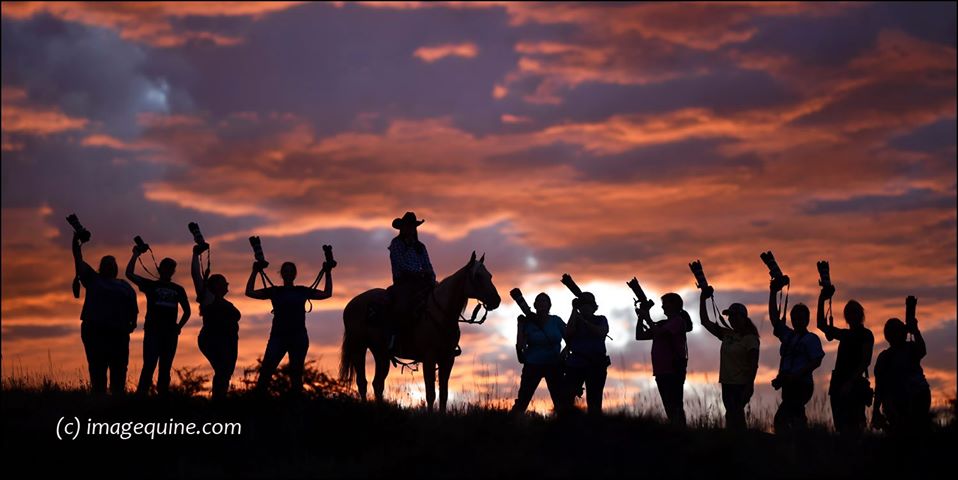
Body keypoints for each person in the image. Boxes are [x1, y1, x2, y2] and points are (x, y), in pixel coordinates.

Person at [246, 253, 334, 393]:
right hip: (278, 336)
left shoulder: (302, 291)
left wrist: (328, 273)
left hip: (298, 337)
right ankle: (260, 401)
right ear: (281, 274)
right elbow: (249, 292)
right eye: (285, 271)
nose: (288, 273)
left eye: (291, 271)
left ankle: (295, 405)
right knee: (267, 370)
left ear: (295, 274)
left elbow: (327, 293)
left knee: (296, 374)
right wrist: (255, 271)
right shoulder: (275, 291)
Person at [72, 232, 138, 395]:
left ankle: (116, 401)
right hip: (95, 331)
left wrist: (132, 324)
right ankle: (99, 399)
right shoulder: (93, 279)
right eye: (107, 264)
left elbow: (134, 309)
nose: (110, 266)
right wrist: (76, 241)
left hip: (119, 333)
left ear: (116, 268)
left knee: (119, 368)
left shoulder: (124, 285)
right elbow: (78, 258)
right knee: (97, 368)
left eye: (112, 264)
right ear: (102, 267)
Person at [126, 248, 191, 396]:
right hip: (153, 331)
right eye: (166, 267)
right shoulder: (151, 285)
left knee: (165, 367)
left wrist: (178, 327)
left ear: (173, 271)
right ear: (159, 268)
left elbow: (187, 311)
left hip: (170, 333)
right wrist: (135, 254)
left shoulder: (178, 289)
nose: (168, 270)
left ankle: (162, 399)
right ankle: (141, 396)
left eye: (171, 268)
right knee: (149, 365)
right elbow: (129, 273)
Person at [699, 286, 760, 431]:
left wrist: (749, 385)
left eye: (735, 316)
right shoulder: (728, 334)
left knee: (735, 415)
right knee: (732, 416)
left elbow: (754, 364)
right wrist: (703, 299)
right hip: (727, 383)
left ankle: (741, 445)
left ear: (744, 318)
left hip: (741, 384)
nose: (731, 318)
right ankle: (736, 445)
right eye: (730, 316)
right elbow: (705, 321)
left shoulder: (750, 338)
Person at [817, 284, 874, 435]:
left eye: (854, 312)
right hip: (838, 383)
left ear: (860, 315)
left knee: (856, 426)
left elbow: (865, 361)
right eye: (849, 313)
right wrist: (822, 298)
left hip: (853, 384)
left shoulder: (866, 335)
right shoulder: (845, 334)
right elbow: (821, 325)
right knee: (840, 426)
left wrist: (850, 382)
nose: (851, 316)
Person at [769, 280, 825, 433]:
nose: (798, 321)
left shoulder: (811, 339)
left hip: (801, 384)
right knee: (796, 418)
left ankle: (794, 446)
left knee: (781, 419)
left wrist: (797, 374)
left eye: (801, 318)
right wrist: (773, 292)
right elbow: (774, 319)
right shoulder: (788, 335)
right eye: (795, 318)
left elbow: (817, 361)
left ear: (807, 320)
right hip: (788, 384)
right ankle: (800, 447)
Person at [191, 243, 240, 400]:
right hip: (213, 340)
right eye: (224, 282)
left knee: (225, 372)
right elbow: (196, 276)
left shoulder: (224, 302)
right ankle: (217, 401)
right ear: (216, 285)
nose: (227, 285)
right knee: (222, 371)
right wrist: (195, 255)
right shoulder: (208, 298)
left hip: (229, 342)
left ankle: (220, 399)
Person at [872, 303, 930, 434]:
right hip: (899, 403)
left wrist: (915, 330)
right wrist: (876, 410)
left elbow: (922, 350)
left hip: (915, 398)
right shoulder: (887, 357)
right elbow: (880, 386)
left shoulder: (909, 349)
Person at [636, 292, 692, 427]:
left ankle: (681, 433)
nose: (662, 307)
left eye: (665, 303)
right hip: (661, 370)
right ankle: (676, 432)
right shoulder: (662, 324)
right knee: (669, 406)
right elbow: (640, 336)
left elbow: (660, 333)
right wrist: (641, 318)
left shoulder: (678, 321)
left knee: (675, 405)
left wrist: (646, 317)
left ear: (674, 305)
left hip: (673, 369)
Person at [387, 211, 436, 354]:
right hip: (403, 282)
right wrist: (418, 273)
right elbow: (400, 264)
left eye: (412, 227)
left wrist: (431, 278)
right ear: (402, 228)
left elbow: (428, 265)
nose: (410, 229)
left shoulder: (420, 247)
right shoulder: (396, 244)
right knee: (401, 306)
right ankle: (393, 338)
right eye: (407, 226)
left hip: (422, 281)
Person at [510, 293, 567, 415]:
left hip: (554, 364)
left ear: (549, 305)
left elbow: (571, 339)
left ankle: (565, 427)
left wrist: (563, 355)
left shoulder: (556, 321)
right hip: (532, 365)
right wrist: (519, 326)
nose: (541, 304)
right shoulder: (528, 323)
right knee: (523, 400)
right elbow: (520, 346)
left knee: (560, 401)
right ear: (534, 305)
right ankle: (512, 425)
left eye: (544, 301)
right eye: (539, 301)